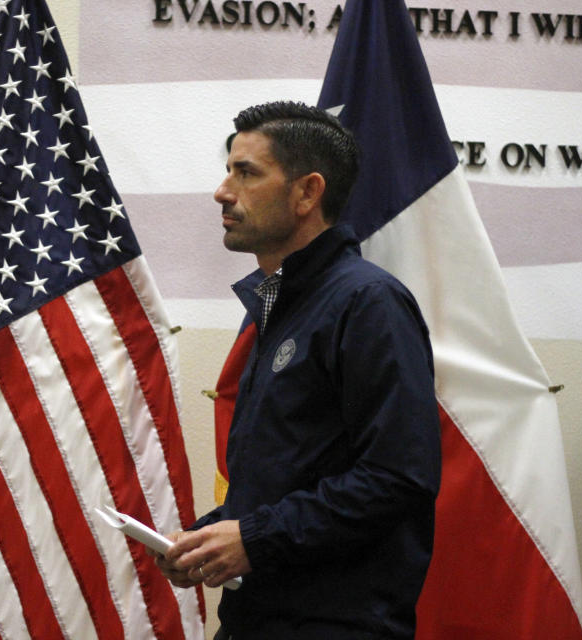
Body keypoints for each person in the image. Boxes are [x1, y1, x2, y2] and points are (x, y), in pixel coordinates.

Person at [153, 101, 442, 639]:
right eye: (227, 170)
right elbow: (288, 478)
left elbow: (399, 476)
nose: (223, 191)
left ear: (308, 192)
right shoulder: (281, 306)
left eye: (246, 173)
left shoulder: (368, 302)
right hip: (255, 620)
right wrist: (211, 539)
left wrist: (255, 539)